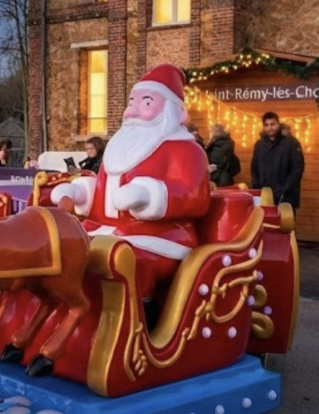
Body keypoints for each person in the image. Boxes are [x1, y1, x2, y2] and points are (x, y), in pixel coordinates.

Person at [51, 64, 211, 308]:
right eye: (132, 102)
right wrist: (80, 192)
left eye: (146, 103)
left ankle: (135, 324)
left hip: (159, 236)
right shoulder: (120, 145)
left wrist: (148, 195)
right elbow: (104, 189)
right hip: (104, 229)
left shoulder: (186, 150)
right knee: (59, 252)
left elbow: (194, 196)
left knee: (126, 263)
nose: (133, 111)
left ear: (175, 113)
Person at [250, 112, 304, 208]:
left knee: (285, 222)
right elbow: (254, 167)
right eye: (266, 125)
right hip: (264, 195)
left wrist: (286, 189)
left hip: (285, 195)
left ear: (278, 124)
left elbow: (297, 168)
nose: (270, 128)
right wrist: (257, 185)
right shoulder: (259, 144)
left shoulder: (291, 143)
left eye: (272, 124)